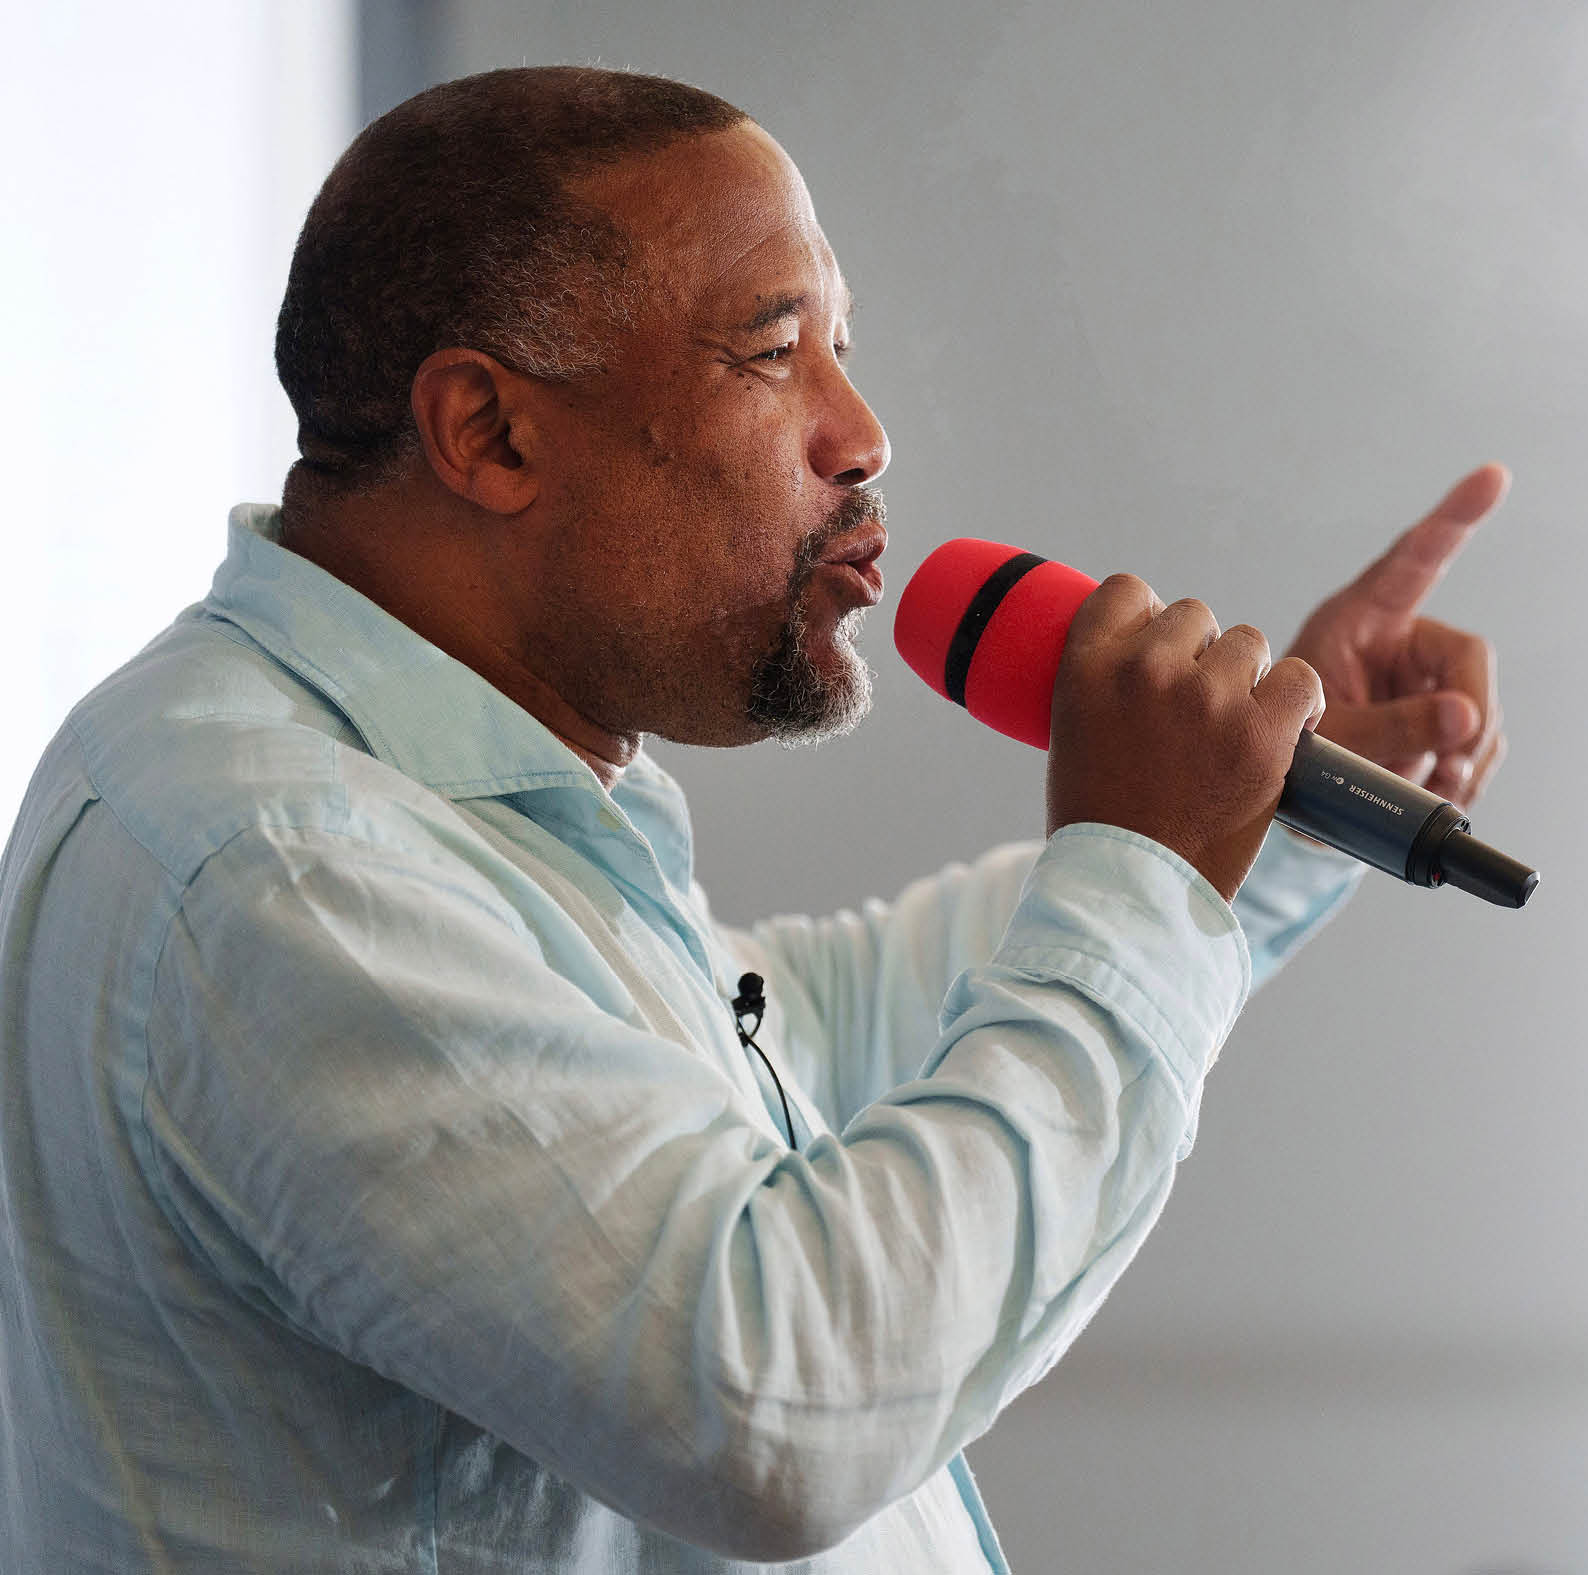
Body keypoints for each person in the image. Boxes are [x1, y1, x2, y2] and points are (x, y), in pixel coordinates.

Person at [0, 66, 1508, 1572]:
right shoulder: (277, 860)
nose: (862, 433)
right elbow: (781, 1401)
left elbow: (811, 1028)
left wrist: (1254, 818)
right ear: (491, 433)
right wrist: (1143, 878)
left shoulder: (432, 798)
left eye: (842, 349)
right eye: (774, 352)